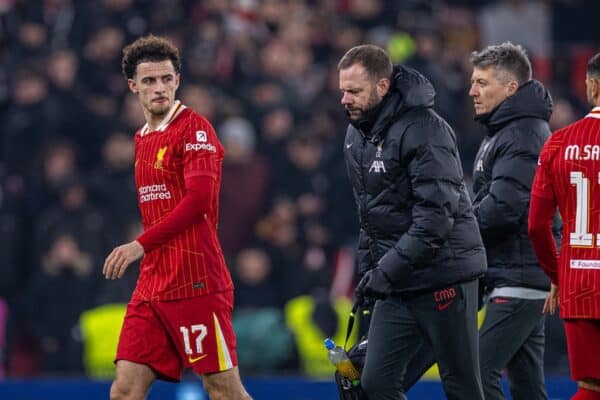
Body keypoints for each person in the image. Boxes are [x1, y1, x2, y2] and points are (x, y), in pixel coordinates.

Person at [102, 35, 251, 400]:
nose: (159, 88)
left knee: (222, 390)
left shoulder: (195, 129)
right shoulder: (141, 138)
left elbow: (199, 201)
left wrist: (140, 244)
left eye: (167, 79)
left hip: (196, 283)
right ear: (133, 86)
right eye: (150, 81)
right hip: (154, 285)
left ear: (177, 81)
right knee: (124, 390)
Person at [340, 44, 487, 400]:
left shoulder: (426, 129)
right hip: (399, 280)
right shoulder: (356, 136)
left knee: (462, 386)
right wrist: (368, 273)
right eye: (343, 90)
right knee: (372, 384)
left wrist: (383, 273)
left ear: (382, 87)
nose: (345, 99)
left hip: (445, 276)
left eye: (355, 91)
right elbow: (370, 216)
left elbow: (435, 218)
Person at [469, 42, 559, 400]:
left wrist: (455, 231)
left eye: (481, 82)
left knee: (475, 374)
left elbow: (504, 208)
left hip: (519, 276)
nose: (472, 91)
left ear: (510, 88)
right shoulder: (505, 131)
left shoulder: (522, 134)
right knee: (526, 387)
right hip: (517, 273)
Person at [529, 52, 600, 400]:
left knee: (589, 387)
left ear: (592, 85)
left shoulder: (557, 143)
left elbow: (537, 225)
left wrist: (557, 276)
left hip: (579, 280)